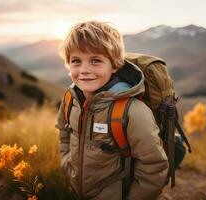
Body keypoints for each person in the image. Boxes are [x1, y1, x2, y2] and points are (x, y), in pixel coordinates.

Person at [56, 20, 169, 200]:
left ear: (115, 65)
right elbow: (64, 133)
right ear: (68, 64)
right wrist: (67, 165)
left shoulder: (132, 111)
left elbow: (153, 166)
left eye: (95, 61)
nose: (84, 70)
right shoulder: (71, 100)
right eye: (76, 61)